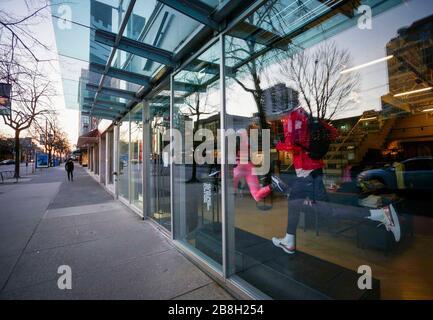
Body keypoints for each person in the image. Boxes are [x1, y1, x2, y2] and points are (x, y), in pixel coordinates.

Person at [272, 107, 401, 254]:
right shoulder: (308, 117)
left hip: (308, 173)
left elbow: (291, 145)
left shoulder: (293, 117)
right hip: (311, 172)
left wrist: (277, 144)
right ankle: (289, 240)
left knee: (329, 211)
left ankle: (380, 214)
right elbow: (333, 133)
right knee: (294, 203)